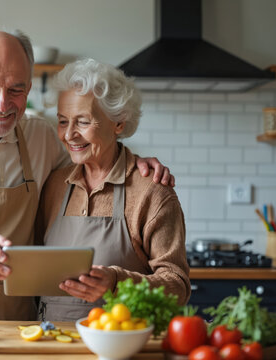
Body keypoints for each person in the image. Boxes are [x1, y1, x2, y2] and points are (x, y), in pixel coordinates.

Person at [0, 29, 174, 320]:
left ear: (29, 86)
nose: (2, 105)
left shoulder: (43, 136)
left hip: (16, 321)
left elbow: (93, 156)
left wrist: (134, 163)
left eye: (16, 89)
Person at [35, 59, 190, 322]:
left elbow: (178, 286)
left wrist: (117, 282)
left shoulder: (151, 192)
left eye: (82, 122)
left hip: (120, 343)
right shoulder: (54, 185)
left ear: (118, 123)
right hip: (52, 343)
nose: (69, 135)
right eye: (63, 121)